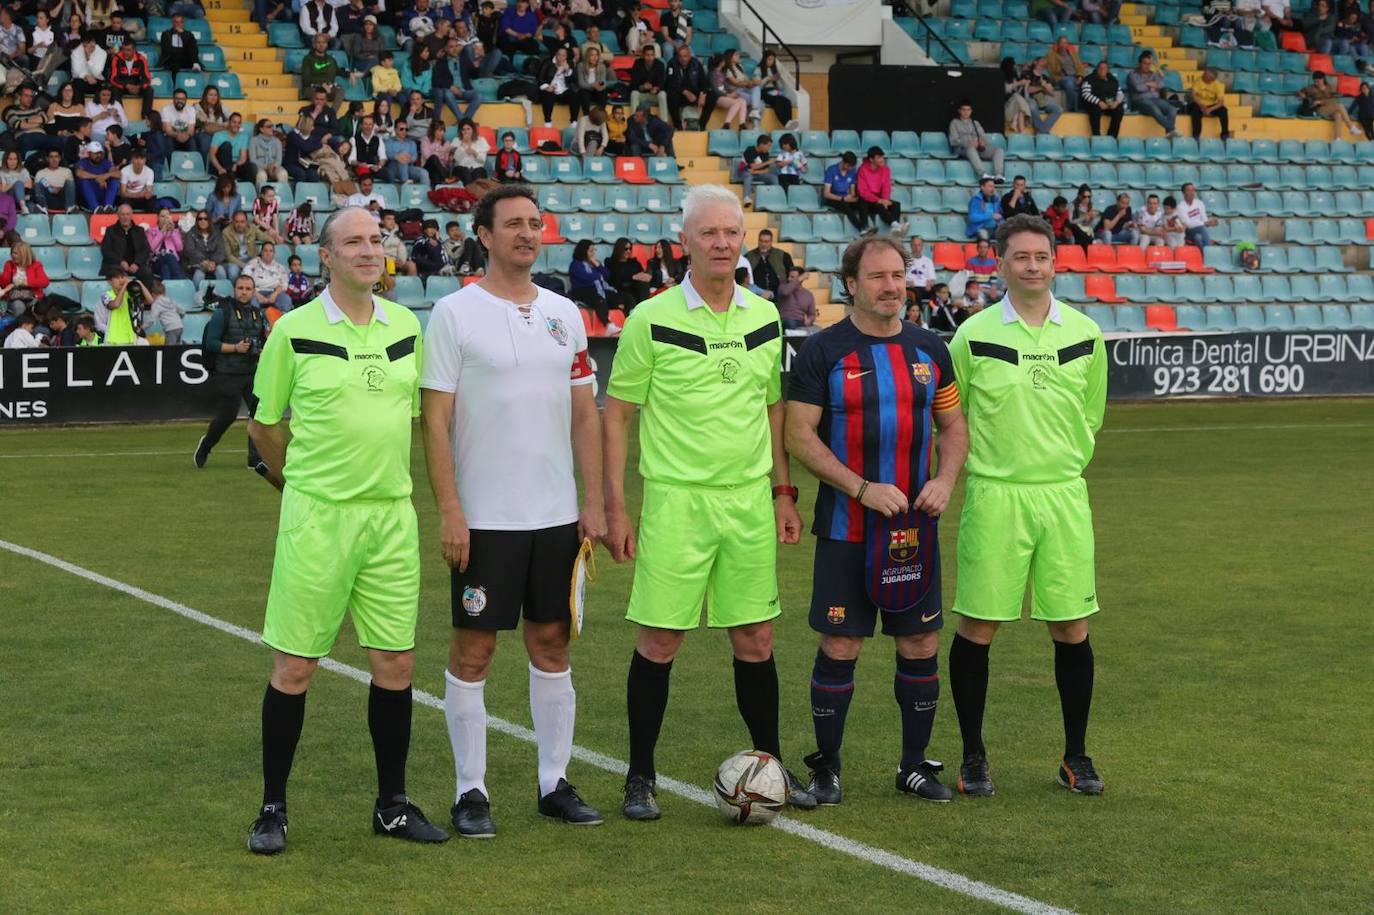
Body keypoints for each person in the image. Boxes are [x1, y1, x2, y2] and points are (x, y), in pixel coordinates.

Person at [603, 184, 815, 821]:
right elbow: (616, 417)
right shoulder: (651, 317)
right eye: (709, 233)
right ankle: (640, 777)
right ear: (685, 242)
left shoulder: (763, 316)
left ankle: (770, 769)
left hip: (748, 504)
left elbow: (773, 411)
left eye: (731, 232)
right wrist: (616, 508)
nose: (722, 243)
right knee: (660, 640)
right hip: (677, 504)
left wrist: (781, 491)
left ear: (743, 240)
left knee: (754, 638)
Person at [243, 207, 446, 854]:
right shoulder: (294, 332)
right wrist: (297, 486)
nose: (369, 250)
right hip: (319, 518)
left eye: (375, 240)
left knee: (395, 662)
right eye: (353, 241)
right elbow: (266, 427)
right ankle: (273, 807)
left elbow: (417, 420)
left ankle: (391, 805)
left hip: (390, 517)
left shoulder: (407, 325)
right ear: (325, 256)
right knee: (296, 664)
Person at [418, 185, 605, 839]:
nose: (528, 233)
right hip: (485, 519)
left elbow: (585, 413)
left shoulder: (564, 312)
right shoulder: (453, 313)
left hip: (555, 516)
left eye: (536, 223)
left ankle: (554, 781)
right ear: (485, 235)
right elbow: (434, 421)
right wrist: (450, 509)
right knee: (473, 651)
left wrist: (595, 499)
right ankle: (471, 791)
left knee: (552, 643)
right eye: (514, 224)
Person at [785, 234, 968, 805]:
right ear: (851, 285)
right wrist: (860, 488)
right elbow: (798, 435)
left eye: (898, 276)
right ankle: (827, 768)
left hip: (912, 531)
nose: (892, 287)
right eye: (878, 278)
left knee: (920, 643)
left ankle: (913, 766)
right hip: (846, 528)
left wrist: (942, 481)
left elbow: (954, 428)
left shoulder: (931, 349)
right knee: (841, 644)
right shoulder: (824, 351)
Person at [946, 213, 1107, 799]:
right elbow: (953, 415)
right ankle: (973, 756)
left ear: (1054, 262)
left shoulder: (1085, 333)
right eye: (1020, 256)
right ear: (1000, 263)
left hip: (1063, 495)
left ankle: (1076, 756)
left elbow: (1091, 414)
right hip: (995, 495)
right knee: (979, 625)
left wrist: (1059, 461)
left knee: (1071, 624)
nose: (1032, 265)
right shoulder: (973, 335)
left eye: (1041, 255)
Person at [1127, 51, 1180, 138]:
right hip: (1140, 102)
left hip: (1155, 100)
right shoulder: (1132, 74)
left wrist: (1148, 84)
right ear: (1140, 63)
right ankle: (1171, 129)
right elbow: (1138, 88)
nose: (1147, 66)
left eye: (1149, 64)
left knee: (1172, 109)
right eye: (1144, 63)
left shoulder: (1153, 74)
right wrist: (1150, 84)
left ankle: (1169, 132)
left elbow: (1161, 84)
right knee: (1154, 108)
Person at [948, 102, 1005, 181]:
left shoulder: (975, 123)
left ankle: (998, 175)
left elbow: (982, 136)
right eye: (964, 110)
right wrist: (968, 143)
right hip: (962, 149)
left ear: (971, 111)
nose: (966, 112)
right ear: (959, 111)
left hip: (978, 148)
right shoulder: (954, 123)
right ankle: (983, 174)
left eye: (968, 110)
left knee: (999, 150)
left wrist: (982, 142)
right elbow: (953, 141)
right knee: (971, 149)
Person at [101, 204, 155, 285]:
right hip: (116, 265)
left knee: (147, 272)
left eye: (127, 214)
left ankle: (147, 297)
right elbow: (106, 250)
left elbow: (145, 249)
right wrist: (121, 261)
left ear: (131, 215)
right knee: (118, 275)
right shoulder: (111, 230)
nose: (125, 217)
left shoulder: (139, 230)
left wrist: (137, 263)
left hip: (135, 266)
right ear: (118, 215)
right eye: (122, 214)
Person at [1299, 71, 1361, 138]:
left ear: (1323, 79)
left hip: (1329, 108)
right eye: (1315, 81)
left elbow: (1334, 100)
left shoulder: (1330, 87)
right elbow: (1299, 92)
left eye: (1318, 81)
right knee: (1340, 106)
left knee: (1338, 114)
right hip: (1319, 109)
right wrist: (1302, 95)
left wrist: (1321, 101)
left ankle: (1338, 139)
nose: (1316, 83)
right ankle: (1350, 126)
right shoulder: (1311, 88)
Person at [856, 147, 903, 235]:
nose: (882, 160)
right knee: (873, 203)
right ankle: (865, 227)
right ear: (871, 159)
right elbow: (863, 191)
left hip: (879, 198)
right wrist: (879, 200)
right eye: (879, 157)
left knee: (896, 204)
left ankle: (895, 229)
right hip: (867, 199)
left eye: (882, 157)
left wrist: (885, 199)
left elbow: (886, 186)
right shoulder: (862, 170)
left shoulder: (885, 169)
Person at [182, 209, 232, 287]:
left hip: (215, 264)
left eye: (205, 219)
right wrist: (203, 261)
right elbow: (190, 250)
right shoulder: (191, 234)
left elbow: (221, 251)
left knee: (220, 271)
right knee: (199, 274)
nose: (203, 221)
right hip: (197, 264)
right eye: (200, 219)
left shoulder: (217, 233)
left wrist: (213, 262)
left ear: (209, 220)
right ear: (197, 221)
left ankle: (223, 295)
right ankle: (197, 296)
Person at [99, 269, 147, 345]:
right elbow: (115, 304)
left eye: (122, 277)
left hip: (130, 336)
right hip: (113, 338)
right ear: (109, 281)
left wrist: (140, 284)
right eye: (117, 278)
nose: (121, 280)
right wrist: (125, 286)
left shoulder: (130, 294)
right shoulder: (106, 295)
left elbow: (150, 301)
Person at [1, 243, 50, 316]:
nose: (13, 255)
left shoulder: (36, 265)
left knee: (39, 307)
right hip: (15, 297)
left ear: (24, 254)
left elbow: (45, 282)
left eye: (16, 253)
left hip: (32, 296)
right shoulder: (9, 264)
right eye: (12, 253)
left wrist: (27, 283)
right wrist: (4, 275)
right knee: (19, 307)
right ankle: (22, 325)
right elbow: (4, 283)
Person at [244, 241, 293, 312]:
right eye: (265, 250)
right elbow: (245, 280)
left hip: (274, 292)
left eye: (271, 251)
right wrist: (257, 295)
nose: (268, 253)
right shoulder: (252, 264)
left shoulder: (280, 267)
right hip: (255, 292)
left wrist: (275, 294)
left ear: (274, 254)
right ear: (261, 252)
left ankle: (278, 321)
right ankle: (257, 321)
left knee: (286, 301)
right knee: (252, 303)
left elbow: (284, 284)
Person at [823, 151, 864, 233]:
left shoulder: (852, 172)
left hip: (845, 197)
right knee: (845, 205)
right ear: (844, 162)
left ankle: (866, 225)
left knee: (862, 202)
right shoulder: (831, 170)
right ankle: (861, 229)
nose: (850, 168)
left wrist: (851, 197)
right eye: (849, 166)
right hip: (833, 198)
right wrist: (842, 199)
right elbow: (826, 194)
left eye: (852, 167)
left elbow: (852, 191)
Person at [745, 228, 793, 299]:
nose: (763, 244)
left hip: (779, 297)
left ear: (771, 242)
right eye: (761, 241)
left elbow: (791, 276)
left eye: (766, 242)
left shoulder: (783, 256)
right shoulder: (748, 257)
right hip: (756, 297)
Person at [1081, 61, 1124, 138]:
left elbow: (1120, 93)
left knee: (1119, 110)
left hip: (1109, 103)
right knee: (1095, 110)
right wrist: (1099, 102)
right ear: (1097, 69)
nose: (1102, 70)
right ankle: (1096, 136)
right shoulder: (1089, 78)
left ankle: (1111, 137)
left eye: (1104, 68)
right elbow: (1085, 94)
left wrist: (1116, 102)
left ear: (1107, 70)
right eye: (1100, 68)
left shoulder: (1113, 80)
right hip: (1094, 103)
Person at [76, 142, 120, 213]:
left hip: (103, 196)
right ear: (89, 153)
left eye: (100, 153)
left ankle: (108, 206)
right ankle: (95, 208)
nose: (99, 155)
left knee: (114, 180)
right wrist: (97, 177)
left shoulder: (105, 162)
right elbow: (79, 173)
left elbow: (118, 173)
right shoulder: (83, 162)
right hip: (87, 202)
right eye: (96, 153)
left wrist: (106, 176)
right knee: (84, 181)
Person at [1189, 67, 1230, 140]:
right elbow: (1193, 96)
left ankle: (1225, 134)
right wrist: (1201, 105)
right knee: (1195, 111)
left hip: (1212, 105)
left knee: (1224, 111)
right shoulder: (1198, 80)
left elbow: (1221, 103)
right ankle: (1196, 135)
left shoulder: (1218, 85)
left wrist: (1210, 109)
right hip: (1199, 103)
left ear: (1211, 80)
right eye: (1204, 73)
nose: (1203, 75)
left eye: (1205, 75)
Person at [1047, 35, 1086, 112]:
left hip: (1075, 76)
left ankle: (1082, 107)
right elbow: (1053, 70)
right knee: (1069, 83)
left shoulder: (1073, 54)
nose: (1063, 45)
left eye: (1065, 43)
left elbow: (1080, 67)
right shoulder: (1052, 55)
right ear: (1058, 44)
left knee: (1087, 84)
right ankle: (1071, 108)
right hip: (1061, 77)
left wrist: (1080, 77)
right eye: (1061, 43)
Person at [629, 43, 669, 117]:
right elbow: (633, 83)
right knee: (634, 94)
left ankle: (664, 122)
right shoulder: (637, 64)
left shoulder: (660, 65)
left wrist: (656, 88)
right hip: (642, 94)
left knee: (662, 94)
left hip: (654, 95)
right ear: (643, 55)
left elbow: (662, 83)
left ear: (654, 55)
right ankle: (634, 121)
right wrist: (642, 87)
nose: (650, 57)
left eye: (652, 55)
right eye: (647, 55)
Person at [739, 133, 778, 207]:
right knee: (748, 177)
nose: (769, 148)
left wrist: (756, 172)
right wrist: (768, 162)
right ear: (761, 144)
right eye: (768, 146)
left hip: (757, 173)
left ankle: (774, 198)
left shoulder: (766, 153)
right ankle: (746, 198)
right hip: (745, 172)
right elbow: (752, 166)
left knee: (773, 177)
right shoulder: (750, 150)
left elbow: (766, 170)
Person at [148, 208, 187, 279]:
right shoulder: (151, 231)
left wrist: (172, 232)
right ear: (158, 218)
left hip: (172, 262)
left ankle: (168, 288)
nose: (165, 219)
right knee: (169, 256)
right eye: (162, 216)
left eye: (167, 217)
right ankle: (181, 281)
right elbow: (151, 248)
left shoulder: (176, 231)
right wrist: (162, 232)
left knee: (165, 269)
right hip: (156, 260)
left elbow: (180, 248)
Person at [159, 13, 200, 77]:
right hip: (171, 59)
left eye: (181, 22)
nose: (179, 25)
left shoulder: (188, 35)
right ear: (172, 23)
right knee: (176, 62)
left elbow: (193, 48)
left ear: (183, 23)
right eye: (176, 22)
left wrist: (182, 34)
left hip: (185, 59)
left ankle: (195, 64)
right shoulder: (166, 34)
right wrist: (182, 50)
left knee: (191, 43)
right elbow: (167, 50)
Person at [1178, 183, 1218, 248]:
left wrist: (1209, 223)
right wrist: (1204, 223)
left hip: (1199, 231)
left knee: (1198, 238)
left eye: (1193, 190)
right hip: (1188, 232)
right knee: (1201, 228)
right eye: (1189, 190)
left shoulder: (1199, 203)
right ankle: (1208, 248)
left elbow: (1204, 219)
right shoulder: (1180, 207)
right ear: (1183, 193)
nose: (1192, 193)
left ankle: (1203, 256)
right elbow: (1188, 225)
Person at [967, 176, 1004, 241]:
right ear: (982, 187)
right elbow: (972, 218)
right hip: (981, 228)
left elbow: (1000, 215)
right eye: (990, 186)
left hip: (995, 228)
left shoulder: (996, 200)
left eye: (993, 186)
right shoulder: (976, 200)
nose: (993, 189)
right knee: (984, 236)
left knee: (1007, 235)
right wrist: (991, 215)